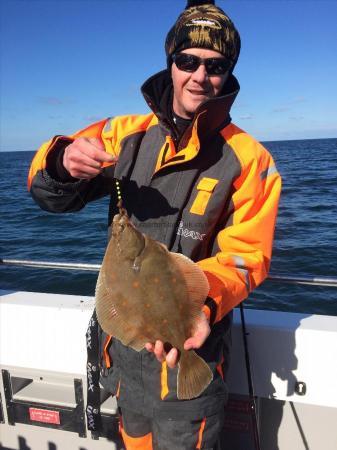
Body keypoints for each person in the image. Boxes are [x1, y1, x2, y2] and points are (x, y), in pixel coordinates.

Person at [28, 1, 281, 448]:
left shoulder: (249, 160)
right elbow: (48, 195)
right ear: (171, 62)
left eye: (215, 65)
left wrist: (201, 309)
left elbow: (247, 257)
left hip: (193, 345)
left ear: (228, 73)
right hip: (124, 356)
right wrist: (62, 163)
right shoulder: (122, 135)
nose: (200, 75)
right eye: (188, 61)